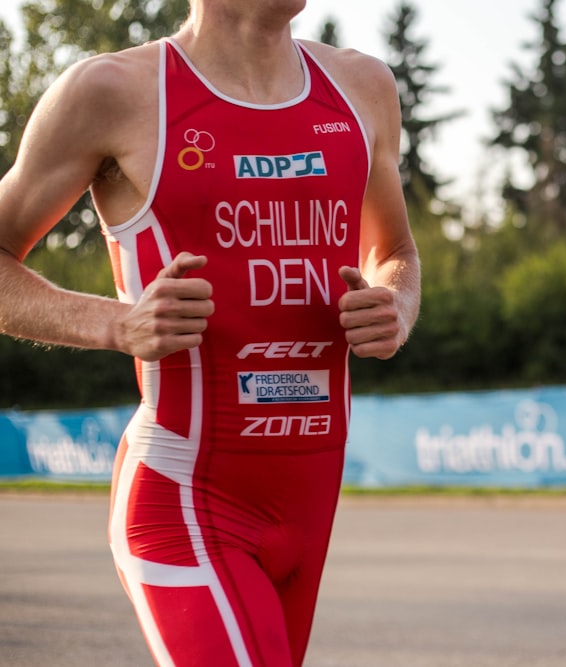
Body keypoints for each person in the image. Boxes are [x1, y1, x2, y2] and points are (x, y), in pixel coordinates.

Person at [0, 0, 420, 664]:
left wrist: (396, 299)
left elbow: (395, 248)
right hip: (185, 498)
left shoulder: (363, 86)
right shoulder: (112, 90)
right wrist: (117, 323)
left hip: (311, 503)